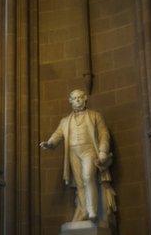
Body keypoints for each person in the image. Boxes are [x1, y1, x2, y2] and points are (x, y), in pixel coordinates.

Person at [39, 89, 116, 222]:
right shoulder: (65, 121)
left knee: (88, 176)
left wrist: (103, 151)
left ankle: (92, 210)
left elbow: (104, 134)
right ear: (70, 101)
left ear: (85, 98)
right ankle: (84, 210)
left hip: (89, 150)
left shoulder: (95, 115)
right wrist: (50, 143)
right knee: (80, 183)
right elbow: (57, 135)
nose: (77, 100)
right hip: (73, 152)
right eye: (74, 98)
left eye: (80, 97)